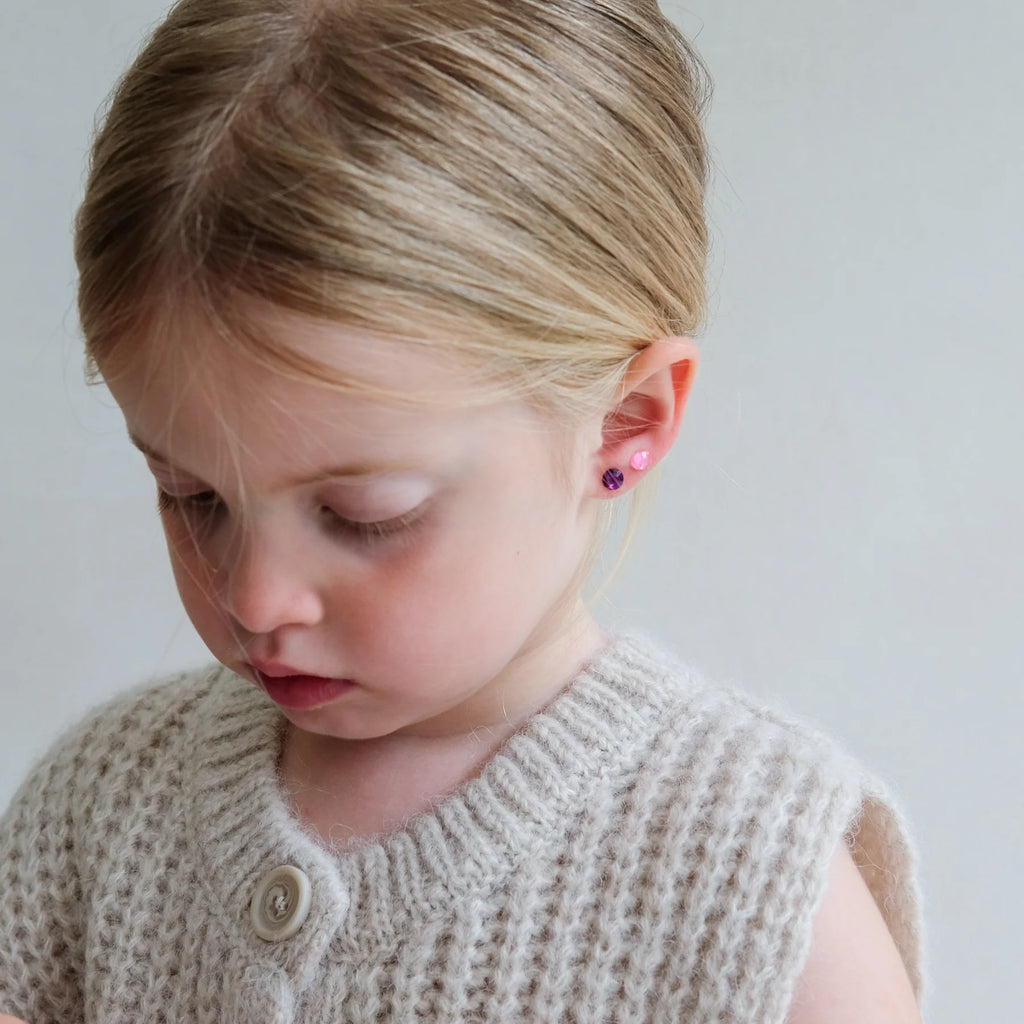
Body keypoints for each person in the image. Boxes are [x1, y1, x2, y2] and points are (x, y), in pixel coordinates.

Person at [0, 1, 924, 1021]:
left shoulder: (759, 887)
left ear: (622, 424)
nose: (255, 596)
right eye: (193, 497)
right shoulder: (96, 812)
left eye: (365, 513)